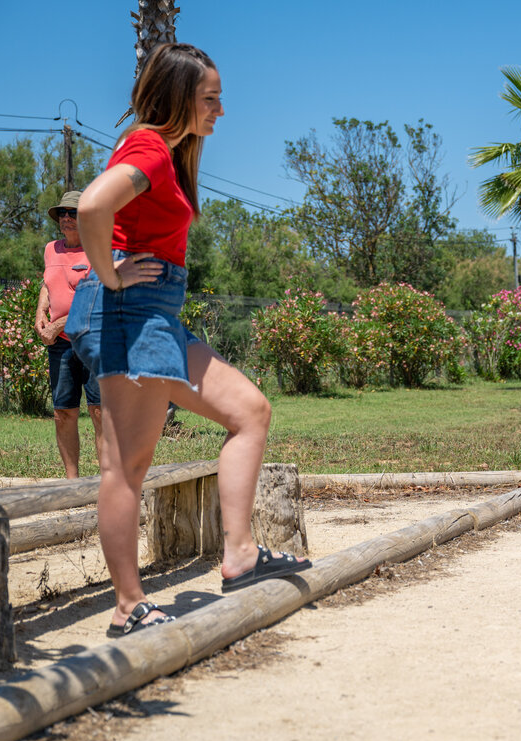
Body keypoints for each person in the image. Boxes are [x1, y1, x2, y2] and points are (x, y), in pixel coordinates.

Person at [66, 43, 309, 637]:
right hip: (129, 311)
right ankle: (128, 607)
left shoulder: (168, 153)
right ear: (177, 96)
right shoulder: (150, 147)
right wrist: (109, 274)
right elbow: (93, 205)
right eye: (210, 98)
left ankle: (241, 556)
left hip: (155, 312)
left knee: (249, 411)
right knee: (127, 466)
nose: (220, 110)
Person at [35, 189, 103, 478]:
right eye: (62, 213)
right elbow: (48, 283)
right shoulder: (51, 249)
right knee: (63, 413)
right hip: (61, 346)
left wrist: (57, 325)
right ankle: (72, 484)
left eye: (73, 213)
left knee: (100, 412)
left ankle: (109, 483)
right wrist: (40, 312)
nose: (66, 217)